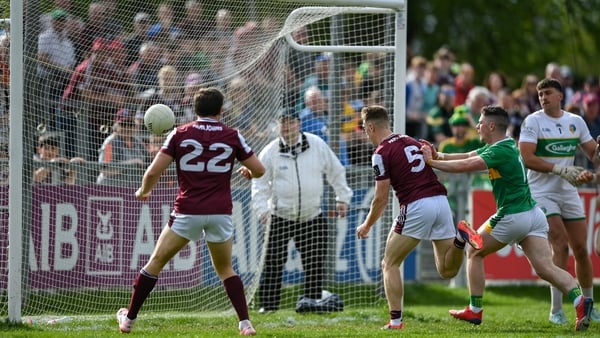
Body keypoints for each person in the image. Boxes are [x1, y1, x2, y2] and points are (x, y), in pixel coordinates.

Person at [421, 105, 594, 332]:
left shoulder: (498, 151)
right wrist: (439, 155)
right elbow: (467, 155)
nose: (477, 126)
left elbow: (466, 166)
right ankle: (581, 301)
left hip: (513, 215)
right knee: (545, 268)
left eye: (481, 122)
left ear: (492, 126)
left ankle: (475, 308)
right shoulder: (505, 145)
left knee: (474, 250)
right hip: (533, 215)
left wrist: (432, 164)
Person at [116, 87, 265, 336]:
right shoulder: (232, 135)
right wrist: (250, 173)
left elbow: (153, 172)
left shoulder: (179, 133)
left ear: (195, 110)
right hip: (220, 212)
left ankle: (129, 319)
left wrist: (143, 191)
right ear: (221, 110)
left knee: (155, 264)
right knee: (226, 269)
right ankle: (245, 323)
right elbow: (259, 170)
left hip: (187, 211)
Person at [355, 105, 482, 330]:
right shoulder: (413, 140)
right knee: (447, 270)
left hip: (416, 205)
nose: (366, 133)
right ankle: (461, 238)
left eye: (365, 128)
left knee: (389, 263)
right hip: (441, 201)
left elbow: (380, 199)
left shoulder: (380, 153)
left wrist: (366, 225)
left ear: (372, 126)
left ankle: (395, 322)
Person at [251, 108, 352, 314]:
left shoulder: (317, 144)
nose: (286, 126)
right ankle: (268, 306)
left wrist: (342, 198)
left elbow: (336, 171)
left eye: (290, 121)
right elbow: (259, 184)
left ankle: (312, 302)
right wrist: (262, 210)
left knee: (314, 262)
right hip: (280, 216)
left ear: (299, 123)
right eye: (282, 122)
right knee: (272, 263)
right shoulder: (270, 151)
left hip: (312, 215)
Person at [518, 78, 600, 325]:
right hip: (541, 192)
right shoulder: (532, 121)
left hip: (568, 192)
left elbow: (593, 156)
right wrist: (560, 170)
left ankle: (589, 304)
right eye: (541, 94)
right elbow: (527, 158)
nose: (543, 97)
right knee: (560, 244)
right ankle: (556, 310)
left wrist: (599, 151)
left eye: (548, 93)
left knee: (581, 250)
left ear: (560, 96)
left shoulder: (575, 122)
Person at [97, 108, 149, 185]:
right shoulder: (109, 143)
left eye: (131, 124)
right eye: (123, 124)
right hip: (109, 188)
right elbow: (105, 170)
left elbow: (148, 161)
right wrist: (130, 163)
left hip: (130, 189)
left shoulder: (138, 142)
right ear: (116, 125)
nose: (127, 127)